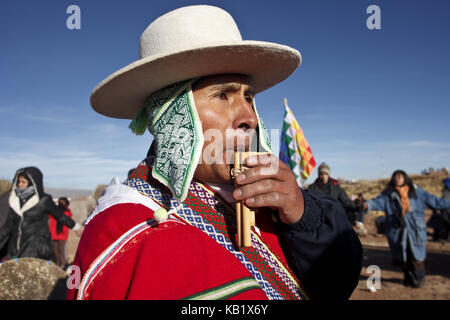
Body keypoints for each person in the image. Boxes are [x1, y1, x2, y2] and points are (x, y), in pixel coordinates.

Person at [67, 5, 362, 300]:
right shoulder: (121, 230)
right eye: (222, 95)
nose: (251, 118)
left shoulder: (276, 204)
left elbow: (337, 284)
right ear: (172, 119)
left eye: (249, 97)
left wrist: (303, 216)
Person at [364, 170, 450, 288]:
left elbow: (434, 201)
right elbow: (376, 202)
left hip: (415, 229)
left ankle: (420, 279)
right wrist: (366, 205)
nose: (398, 178)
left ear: (405, 178)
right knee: (403, 256)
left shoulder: (417, 192)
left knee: (417, 256)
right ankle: (408, 279)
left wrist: (447, 203)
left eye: (400, 176)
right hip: (397, 230)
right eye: (395, 176)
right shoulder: (388, 194)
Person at [0, 167, 83, 263]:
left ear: (32, 183)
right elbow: (7, 227)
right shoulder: (14, 202)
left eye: (23, 182)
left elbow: (59, 215)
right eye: (18, 182)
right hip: (15, 249)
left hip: (37, 248)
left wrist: (76, 227)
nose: (20, 185)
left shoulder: (44, 200)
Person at [309, 163, 367, 234]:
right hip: (320, 219)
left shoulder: (336, 187)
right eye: (321, 174)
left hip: (335, 217)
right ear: (319, 175)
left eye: (326, 174)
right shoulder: (312, 188)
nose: (323, 176)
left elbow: (345, 201)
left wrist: (356, 206)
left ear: (328, 175)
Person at [49, 197, 72, 268]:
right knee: (55, 251)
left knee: (61, 250)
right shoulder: (54, 211)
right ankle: (57, 265)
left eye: (63, 202)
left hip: (62, 234)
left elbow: (68, 217)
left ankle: (64, 265)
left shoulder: (67, 211)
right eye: (60, 202)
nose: (61, 203)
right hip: (54, 234)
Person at [427, 177, 450, 242]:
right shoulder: (446, 191)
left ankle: (445, 236)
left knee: (446, 222)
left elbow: (444, 201)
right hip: (445, 209)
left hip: (446, 209)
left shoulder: (446, 191)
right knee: (446, 223)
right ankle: (445, 236)